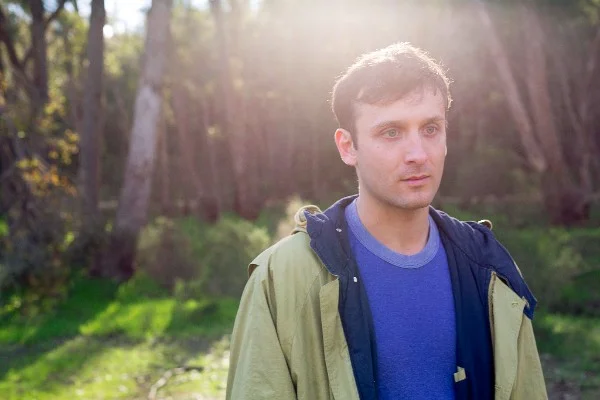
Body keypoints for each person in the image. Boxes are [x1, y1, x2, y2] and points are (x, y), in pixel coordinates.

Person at [226, 43, 547, 400]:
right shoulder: (283, 275)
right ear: (348, 147)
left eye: (430, 128)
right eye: (391, 132)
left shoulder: (488, 266)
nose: (418, 154)